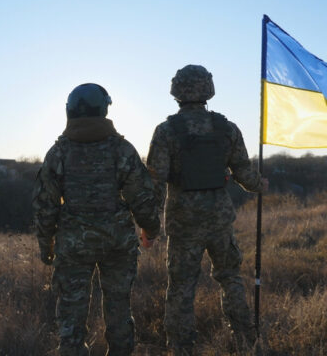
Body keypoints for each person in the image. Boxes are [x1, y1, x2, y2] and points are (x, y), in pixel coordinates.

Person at [147, 65, 268, 355]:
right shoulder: (227, 128)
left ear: (176, 90)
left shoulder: (166, 131)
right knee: (230, 278)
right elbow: (246, 177)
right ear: (208, 89)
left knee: (181, 287)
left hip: (183, 225)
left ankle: (180, 348)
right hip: (219, 222)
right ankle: (247, 341)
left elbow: (154, 183)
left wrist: (147, 224)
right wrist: (260, 183)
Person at [32, 83, 160, 356]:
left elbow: (45, 206)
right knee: (118, 310)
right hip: (118, 245)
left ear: (70, 111)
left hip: (73, 246)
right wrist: (151, 229)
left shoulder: (59, 152)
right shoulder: (122, 149)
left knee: (71, 318)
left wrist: (47, 246)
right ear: (104, 110)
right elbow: (142, 197)